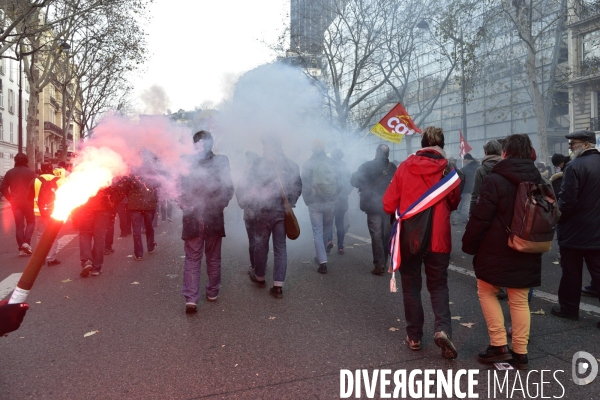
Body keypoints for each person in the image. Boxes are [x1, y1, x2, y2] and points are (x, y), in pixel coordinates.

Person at [463, 134, 544, 369]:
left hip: (496, 247)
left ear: (505, 152)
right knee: (519, 299)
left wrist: (470, 244)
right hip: (527, 245)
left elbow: (481, 216)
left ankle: (498, 345)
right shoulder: (539, 178)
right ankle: (520, 351)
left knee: (487, 290)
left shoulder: (495, 179)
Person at [383, 126, 461, 359]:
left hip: (410, 237)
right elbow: (454, 202)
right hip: (439, 238)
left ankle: (414, 336)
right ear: (442, 145)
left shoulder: (405, 167)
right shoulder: (449, 169)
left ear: (422, 143)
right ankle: (442, 329)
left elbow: (388, 204)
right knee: (438, 286)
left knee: (411, 286)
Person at [178, 131, 234, 313]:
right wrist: (220, 206)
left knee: (192, 258)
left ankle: (191, 299)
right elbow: (228, 188)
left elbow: (177, 190)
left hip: (192, 216)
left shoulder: (186, 162)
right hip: (213, 216)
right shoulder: (221, 161)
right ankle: (212, 291)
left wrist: (184, 206)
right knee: (213, 256)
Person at [240, 135, 302, 297]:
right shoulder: (291, 165)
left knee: (261, 245)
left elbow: (248, 186)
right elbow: (297, 187)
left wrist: (253, 204)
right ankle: (278, 285)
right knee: (280, 247)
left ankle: (259, 277)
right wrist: (290, 203)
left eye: (264, 146)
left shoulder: (258, 164)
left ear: (270, 146)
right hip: (282, 212)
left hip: (263, 212)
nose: (263, 149)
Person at [551, 130, 600, 330]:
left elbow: (567, 201)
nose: (570, 146)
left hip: (575, 232)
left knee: (571, 272)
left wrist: (558, 219)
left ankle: (569, 309)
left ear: (586, 144)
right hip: (597, 231)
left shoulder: (574, 166)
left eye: (573, 143)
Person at [351, 144, 396, 275]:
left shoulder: (367, 166)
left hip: (373, 206)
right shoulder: (393, 168)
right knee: (386, 234)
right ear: (388, 154)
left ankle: (379, 264)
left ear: (376, 153)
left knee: (376, 235)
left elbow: (354, 182)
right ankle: (385, 262)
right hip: (389, 206)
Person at [302, 139, 339, 274]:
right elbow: (340, 180)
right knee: (325, 230)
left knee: (317, 231)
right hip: (330, 201)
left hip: (314, 202)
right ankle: (321, 255)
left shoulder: (308, 164)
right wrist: (335, 197)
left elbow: (304, 184)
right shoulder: (331, 162)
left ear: (312, 149)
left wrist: (307, 200)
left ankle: (322, 261)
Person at [0, 153, 37, 256]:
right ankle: (26, 243)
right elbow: (36, 186)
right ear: (26, 161)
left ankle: (21, 248)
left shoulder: (9, 173)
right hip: (28, 202)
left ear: (15, 161)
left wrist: (10, 198)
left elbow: (2, 188)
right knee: (31, 222)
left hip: (15, 202)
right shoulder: (31, 173)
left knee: (19, 225)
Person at [30, 163, 65, 266]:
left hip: (39, 212)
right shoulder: (59, 180)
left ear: (41, 170)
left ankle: (39, 259)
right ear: (52, 170)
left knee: (40, 235)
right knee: (54, 235)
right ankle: (51, 258)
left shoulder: (36, 180)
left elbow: (29, 197)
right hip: (55, 211)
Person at [117, 173, 159, 261]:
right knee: (149, 226)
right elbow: (157, 184)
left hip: (134, 205)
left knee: (136, 229)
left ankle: (138, 253)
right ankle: (150, 245)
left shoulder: (130, 171)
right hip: (148, 203)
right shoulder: (151, 169)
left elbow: (124, 186)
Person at [79, 186, 117, 277]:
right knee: (99, 237)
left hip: (86, 206)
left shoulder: (82, 172)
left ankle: (86, 261)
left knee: (85, 234)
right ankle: (96, 267)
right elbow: (117, 189)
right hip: (103, 207)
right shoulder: (108, 173)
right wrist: (112, 203)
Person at [235, 151, 260, 274]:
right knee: (261, 240)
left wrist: (242, 204)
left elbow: (239, 191)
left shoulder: (246, 173)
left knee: (253, 240)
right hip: (262, 212)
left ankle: (255, 266)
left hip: (250, 211)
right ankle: (260, 265)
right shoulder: (264, 174)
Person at [328, 149, 353, 255]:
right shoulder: (346, 170)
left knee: (329, 222)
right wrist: (345, 194)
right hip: (342, 200)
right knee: (340, 223)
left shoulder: (329, 168)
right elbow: (350, 185)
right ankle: (341, 246)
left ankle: (329, 240)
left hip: (331, 199)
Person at [469, 140, 502, 215]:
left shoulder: (480, 170)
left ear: (486, 153)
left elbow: (475, 196)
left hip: (485, 212)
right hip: (504, 213)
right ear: (500, 152)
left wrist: (471, 216)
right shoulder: (507, 167)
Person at [457, 153, 479, 223]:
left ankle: (465, 218)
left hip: (467, 189)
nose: (463, 160)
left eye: (464, 159)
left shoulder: (465, 168)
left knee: (466, 204)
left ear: (467, 160)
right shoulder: (478, 166)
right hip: (476, 188)